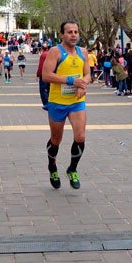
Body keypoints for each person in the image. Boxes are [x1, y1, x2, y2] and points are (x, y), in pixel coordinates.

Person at [41, 21, 91, 189]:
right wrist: (71, 80)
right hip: (57, 102)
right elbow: (46, 75)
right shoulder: (55, 52)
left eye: (76, 31)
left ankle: (72, 169)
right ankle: (52, 167)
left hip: (76, 103)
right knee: (56, 140)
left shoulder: (83, 52)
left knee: (81, 136)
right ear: (62, 34)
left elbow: (88, 74)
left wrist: (83, 85)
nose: (73, 34)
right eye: (69, 32)